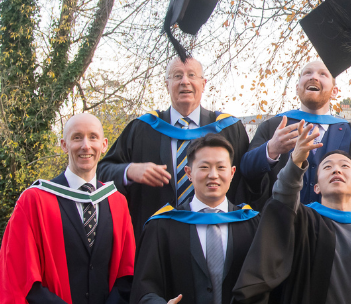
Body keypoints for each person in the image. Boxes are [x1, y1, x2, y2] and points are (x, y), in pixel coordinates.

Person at [227, 121, 351, 304]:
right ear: (316, 187)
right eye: (327, 167)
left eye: (344, 166)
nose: (336, 170)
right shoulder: (302, 222)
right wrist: (296, 162)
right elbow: (283, 199)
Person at [0, 113, 134, 304]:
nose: (86, 145)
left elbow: (127, 272)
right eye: (77, 137)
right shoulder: (35, 201)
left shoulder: (117, 202)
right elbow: (22, 275)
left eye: (93, 137)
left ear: (104, 145)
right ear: (64, 144)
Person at [98, 56, 250, 237]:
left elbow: (247, 182)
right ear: (166, 85)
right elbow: (101, 172)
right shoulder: (143, 128)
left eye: (191, 75)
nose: (185, 81)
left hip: (217, 236)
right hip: (155, 240)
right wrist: (129, 171)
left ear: (203, 84)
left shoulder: (229, 129)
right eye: (177, 76)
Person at [131, 133, 259, 304]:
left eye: (220, 167)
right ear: (189, 173)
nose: (213, 175)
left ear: (232, 173)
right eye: (204, 167)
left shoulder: (251, 224)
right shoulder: (163, 225)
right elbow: (144, 287)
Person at [240, 59, 351, 211]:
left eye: (323, 74)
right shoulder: (273, 127)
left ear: (334, 91)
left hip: (332, 227)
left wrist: (349, 197)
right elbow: (246, 169)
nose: (314, 77)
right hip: (280, 225)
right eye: (307, 73)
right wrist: (271, 150)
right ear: (297, 88)